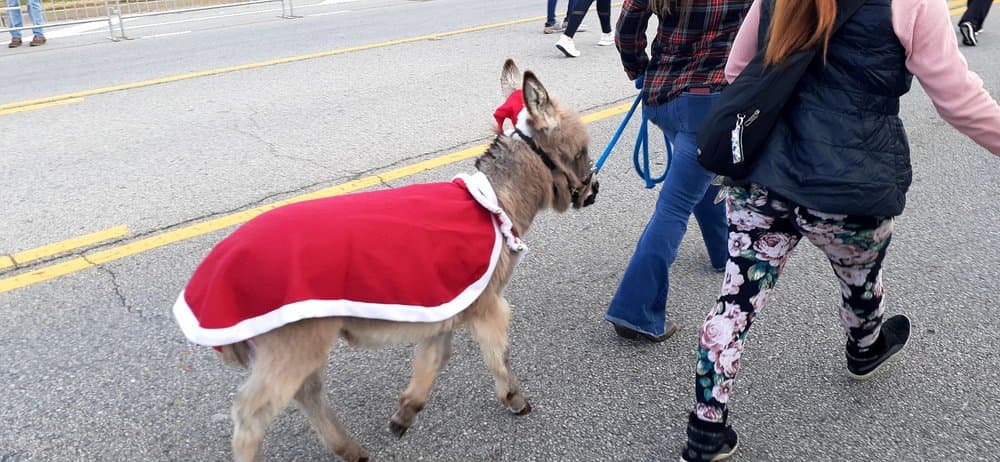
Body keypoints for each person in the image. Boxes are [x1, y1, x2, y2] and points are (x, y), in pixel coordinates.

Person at [680, 0, 1000, 460]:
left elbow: (737, 69)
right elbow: (960, 102)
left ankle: (706, 428)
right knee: (860, 281)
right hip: (849, 184)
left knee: (736, 300)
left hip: (763, 175)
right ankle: (865, 346)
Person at [604, 0, 751, 342]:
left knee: (696, 174)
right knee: (676, 203)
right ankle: (635, 310)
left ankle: (722, 250)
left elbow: (627, 31)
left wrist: (639, 69)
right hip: (712, 102)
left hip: (663, 96)